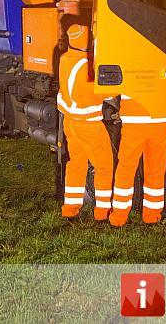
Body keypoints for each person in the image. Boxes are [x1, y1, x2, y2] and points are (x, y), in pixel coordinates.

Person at [57, 24, 114, 221]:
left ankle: (70, 209)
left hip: (71, 122)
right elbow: (102, 92)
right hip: (88, 125)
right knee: (104, 166)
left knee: (76, 164)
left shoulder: (65, 58)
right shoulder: (86, 65)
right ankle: (102, 213)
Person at [109, 95, 166, 226]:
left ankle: (119, 217)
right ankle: (152, 216)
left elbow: (110, 89)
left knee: (126, 169)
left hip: (134, 121)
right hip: (161, 121)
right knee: (156, 170)